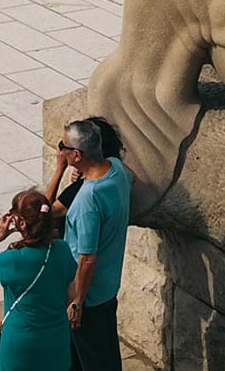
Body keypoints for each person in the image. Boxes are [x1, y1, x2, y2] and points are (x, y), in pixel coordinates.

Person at [0, 189, 77, 371]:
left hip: (21, 342)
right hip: (56, 339)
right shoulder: (62, 249)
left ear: (21, 223)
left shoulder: (13, 259)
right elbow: (72, 294)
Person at [60, 118, 130, 371]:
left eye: (63, 146)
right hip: (108, 286)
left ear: (77, 155)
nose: (61, 151)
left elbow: (87, 257)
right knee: (105, 352)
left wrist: (76, 302)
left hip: (87, 295)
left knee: (92, 360)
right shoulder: (118, 170)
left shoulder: (86, 201)